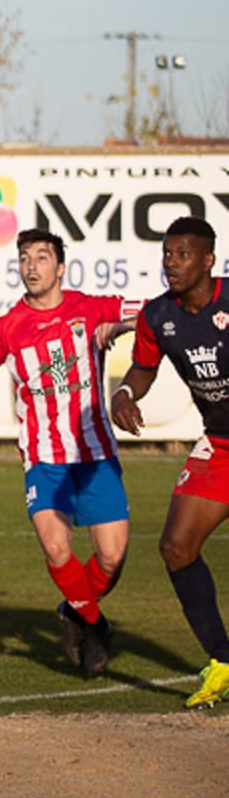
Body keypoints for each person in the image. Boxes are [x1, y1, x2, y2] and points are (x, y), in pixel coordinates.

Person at [0, 227, 134, 676]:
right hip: (44, 458)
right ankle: (94, 625)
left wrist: (122, 324)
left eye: (41, 257)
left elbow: (156, 313)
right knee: (57, 548)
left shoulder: (92, 308)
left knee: (112, 557)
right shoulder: (9, 326)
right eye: (24, 258)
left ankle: (75, 610)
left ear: (60, 266)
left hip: (95, 454)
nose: (31, 266)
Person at [111, 216, 229, 706]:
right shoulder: (158, 315)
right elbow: (142, 369)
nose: (171, 263)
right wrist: (123, 393)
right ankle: (223, 661)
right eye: (167, 253)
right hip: (221, 444)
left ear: (208, 260)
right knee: (177, 547)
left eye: (182, 254)